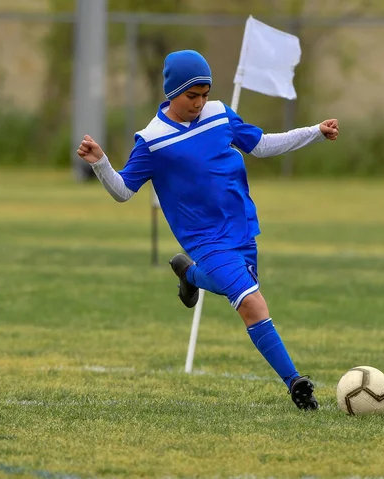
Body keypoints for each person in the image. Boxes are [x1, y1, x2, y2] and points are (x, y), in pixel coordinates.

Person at [77, 50, 339, 410]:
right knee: (251, 303)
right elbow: (123, 191)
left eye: (204, 93)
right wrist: (101, 163)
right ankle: (295, 383)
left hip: (242, 228)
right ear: (172, 93)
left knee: (244, 295)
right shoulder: (152, 140)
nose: (200, 103)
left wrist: (314, 132)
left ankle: (191, 275)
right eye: (192, 96)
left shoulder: (220, 115)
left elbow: (261, 146)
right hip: (205, 240)